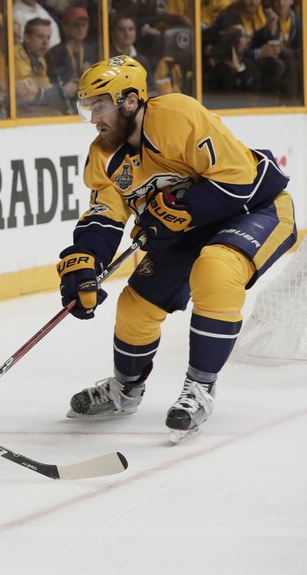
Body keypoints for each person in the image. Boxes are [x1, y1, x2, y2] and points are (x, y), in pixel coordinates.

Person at [59, 55, 296, 442]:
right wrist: (85, 261)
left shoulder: (177, 114)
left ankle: (200, 387)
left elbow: (241, 181)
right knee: (134, 307)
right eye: (88, 108)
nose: (94, 119)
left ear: (130, 100)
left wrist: (182, 209)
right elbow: (105, 214)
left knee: (216, 269)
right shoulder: (104, 155)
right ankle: (125, 389)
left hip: (255, 210)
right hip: (189, 227)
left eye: (99, 107)